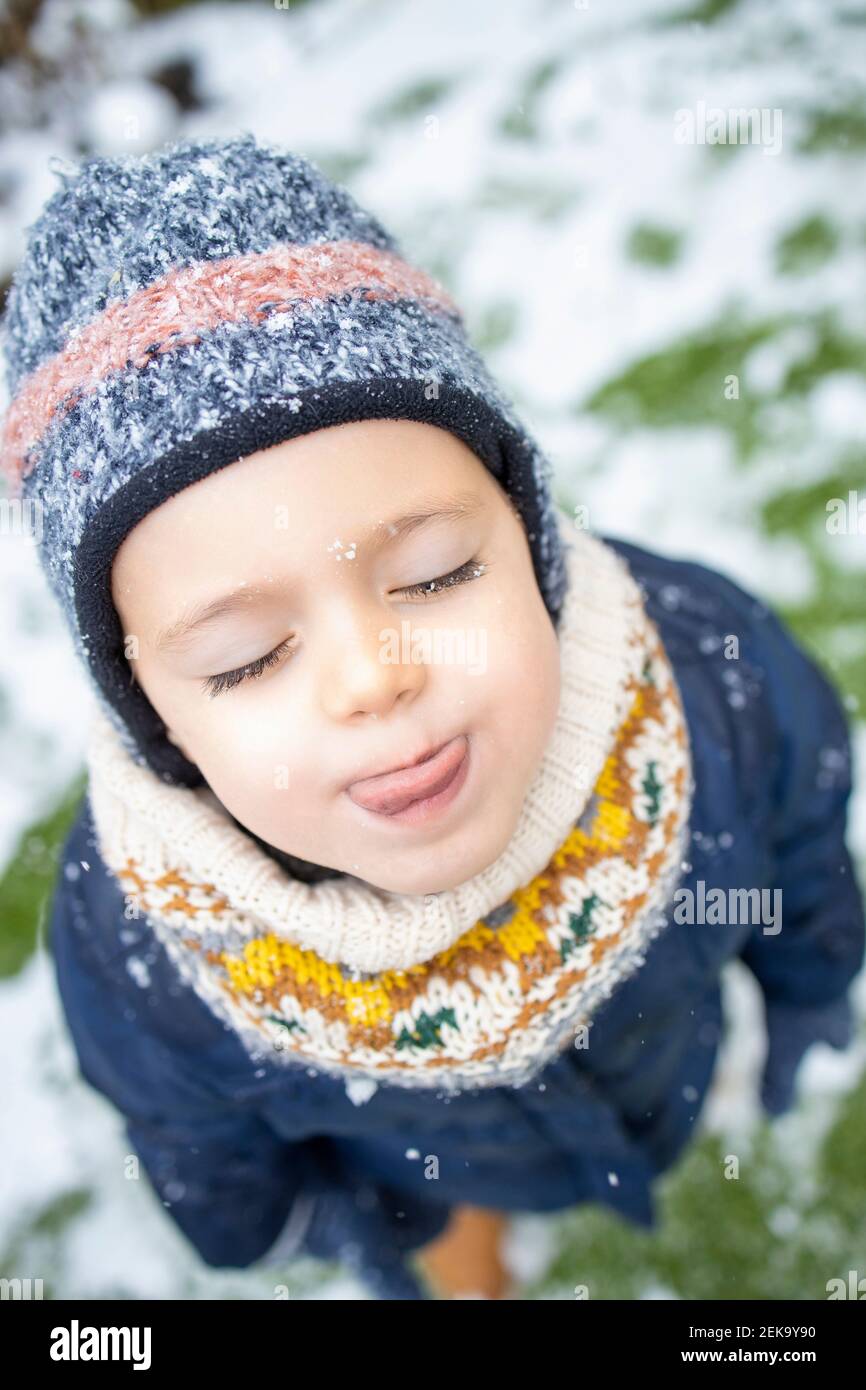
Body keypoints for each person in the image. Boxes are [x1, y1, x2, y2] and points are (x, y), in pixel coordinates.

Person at [2, 133, 862, 1300]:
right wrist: (309, 1220)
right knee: (440, 1239)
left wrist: (809, 987)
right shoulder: (139, 940)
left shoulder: (704, 670)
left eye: (437, 572)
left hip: (667, 1048)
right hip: (418, 1173)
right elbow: (194, 1140)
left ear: (527, 535)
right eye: (247, 657)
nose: (373, 677)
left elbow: (803, 826)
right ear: (151, 711)